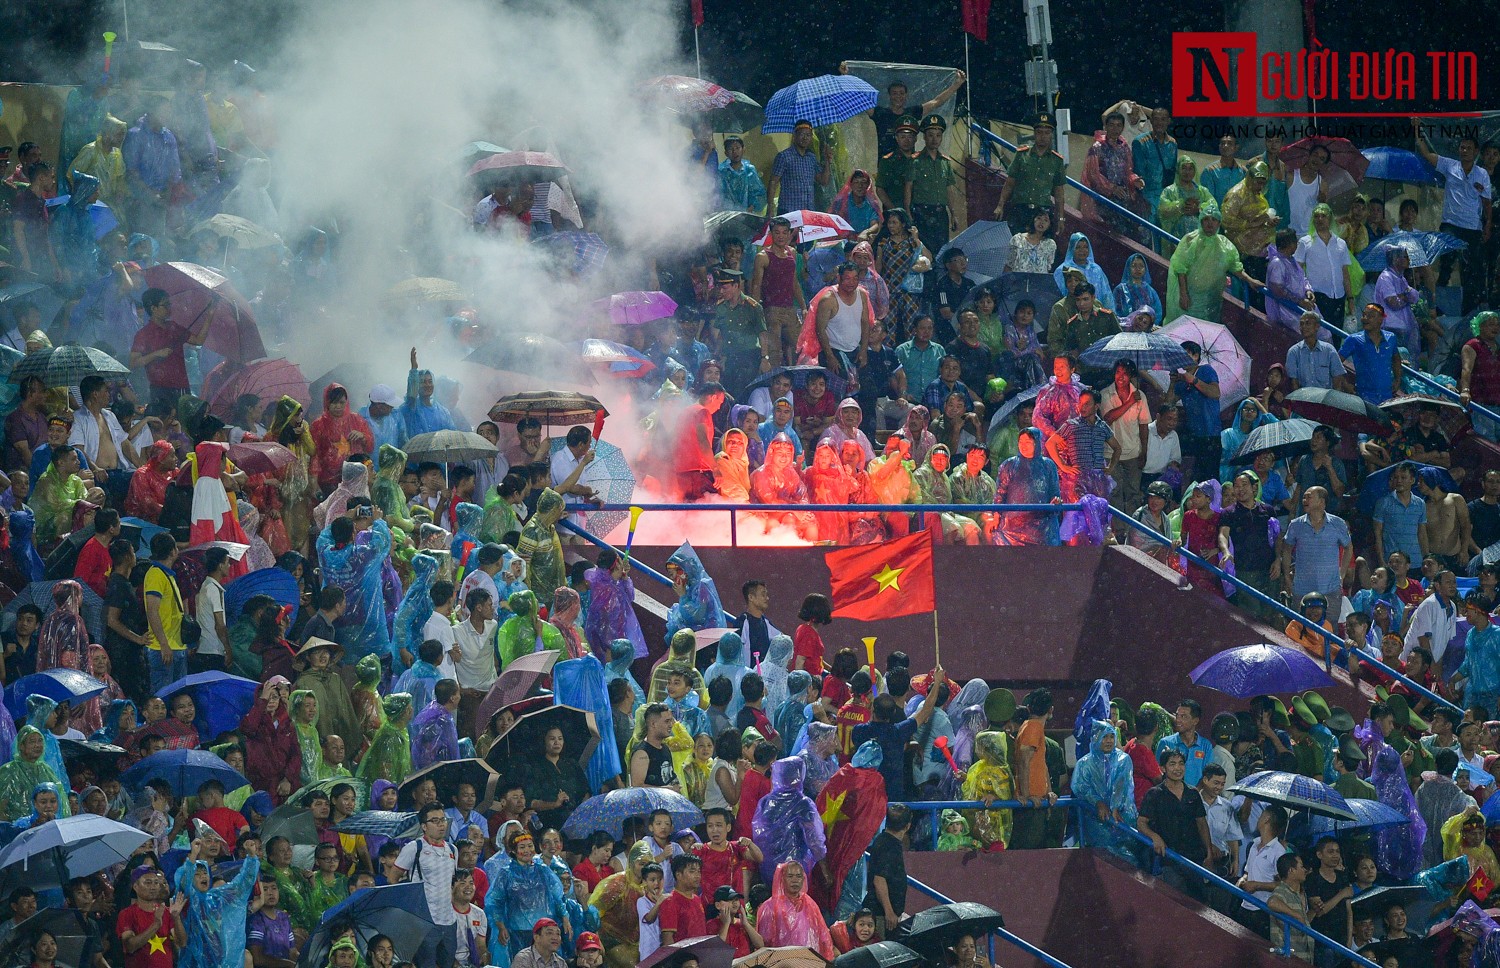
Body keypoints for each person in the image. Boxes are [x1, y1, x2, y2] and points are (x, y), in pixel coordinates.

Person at [1415, 126, 1493, 315]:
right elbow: (1426, 153)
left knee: (1472, 270)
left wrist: (1487, 224)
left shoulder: (1482, 173)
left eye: (1468, 148)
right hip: (1450, 224)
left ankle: (1470, 310)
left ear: (1475, 152)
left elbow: (1487, 202)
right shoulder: (1450, 165)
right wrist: (1416, 128)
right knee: (1447, 262)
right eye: (1462, 147)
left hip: (1472, 228)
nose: (1464, 151)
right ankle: (1438, 306)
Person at [1166, 200, 1264, 323]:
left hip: (1210, 301)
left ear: (1218, 223)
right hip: (1190, 298)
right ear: (1201, 221)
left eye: (1214, 220)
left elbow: (1236, 267)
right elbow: (1180, 268)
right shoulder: (1190, 240)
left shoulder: (1225, 245)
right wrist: (1184, 294)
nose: (1210, 223)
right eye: (1206, 219)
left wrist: (1250, 280)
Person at [1137, 749, 1215, 901]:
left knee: (1200, 904)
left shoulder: (1193, 793)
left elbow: (1202, 824)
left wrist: (1209, 853)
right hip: (1169, 860)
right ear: (1163, 768)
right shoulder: (1154, 794)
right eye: (1172, 764)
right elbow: (1141, 822)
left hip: (1194, 859)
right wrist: (1155, 837)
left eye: (1181, 764)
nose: (1177, 768)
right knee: (1175, 903)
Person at [993, 114, 1067, 235]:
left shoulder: (1056, 161)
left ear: (1051, 135)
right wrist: (1000, 205)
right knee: (1017, 247)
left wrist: (1061, 218)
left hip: (1043, 213)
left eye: (1047, 133)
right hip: (1020, 210)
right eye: (1039, 132)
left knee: (1042, 249)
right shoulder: (1022, 155)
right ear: (1034, 133)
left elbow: (1059, 192)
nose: (1043, 136)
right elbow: (1009, 183)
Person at [904, 115, 959, 251]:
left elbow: (950, 189)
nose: (934, 139)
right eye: (930, 135)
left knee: (942, 250)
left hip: (941, 214)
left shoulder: (945, 162)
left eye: (938, 135)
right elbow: (908, 188)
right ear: (924, 137)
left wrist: (953, 214)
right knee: (924, 251)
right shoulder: (916, 161)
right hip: (922, 213)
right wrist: (908, 213)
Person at [768, 121, 830, 216]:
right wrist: (770, 208)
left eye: (808, 135)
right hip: (788, 212)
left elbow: (823, 181)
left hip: (808, 212)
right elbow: (773, 182)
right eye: (802, 134)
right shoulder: (784, 156)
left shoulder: (811, 158)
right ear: (794, 136)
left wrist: (827, 161)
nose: (805, 138)